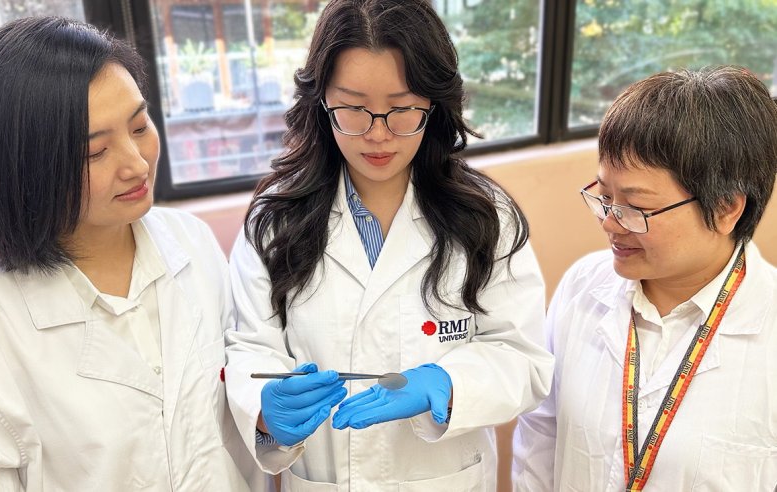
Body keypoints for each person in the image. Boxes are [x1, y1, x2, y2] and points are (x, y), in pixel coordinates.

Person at [224, 0, 554, 489]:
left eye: (401, 110)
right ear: (321, 102)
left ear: (434, 105)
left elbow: (522, 357)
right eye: (353, 109)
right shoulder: (275, 221)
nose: (378, 135)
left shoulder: (486, 218)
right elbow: (251, 347)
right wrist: (266, 411)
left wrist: (449, 384)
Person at [0, 17, 267, 491]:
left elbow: (236, 418)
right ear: (21, 168)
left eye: (139, 126)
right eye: (95, 152)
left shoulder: (190, 243)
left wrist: (269, 413)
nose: (137, 164)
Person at [512, 66, 777, 491]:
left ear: (727, 208)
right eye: (604, 197)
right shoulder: (582, 287)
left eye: (636, 208)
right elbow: (541, 438)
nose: (610, 223)